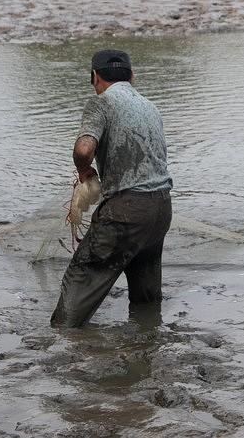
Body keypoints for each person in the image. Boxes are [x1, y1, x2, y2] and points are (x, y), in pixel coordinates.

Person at [51, 49, 173, 327]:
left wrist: (84, 171)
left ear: (95, 77)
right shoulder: (150, 106)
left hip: (125, 212)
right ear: (132, 75)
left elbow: (83, 149)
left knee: (81, 276)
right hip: (161, 208)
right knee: (146, 293)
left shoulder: (101, 103)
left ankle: (62, 340)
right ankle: (147, 342)